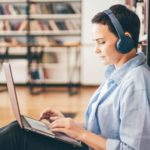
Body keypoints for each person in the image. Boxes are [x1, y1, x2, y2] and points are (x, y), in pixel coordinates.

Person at [0, 4, 150, 150]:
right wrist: (70, 124)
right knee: (16, 127)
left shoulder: (136, 83)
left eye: (101, 42)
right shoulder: (116, 75)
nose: (96, 50)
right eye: (95, 43)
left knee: (17, 135)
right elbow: (106, 129)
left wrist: (81, 134)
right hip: (87, 144)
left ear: (125, 40)